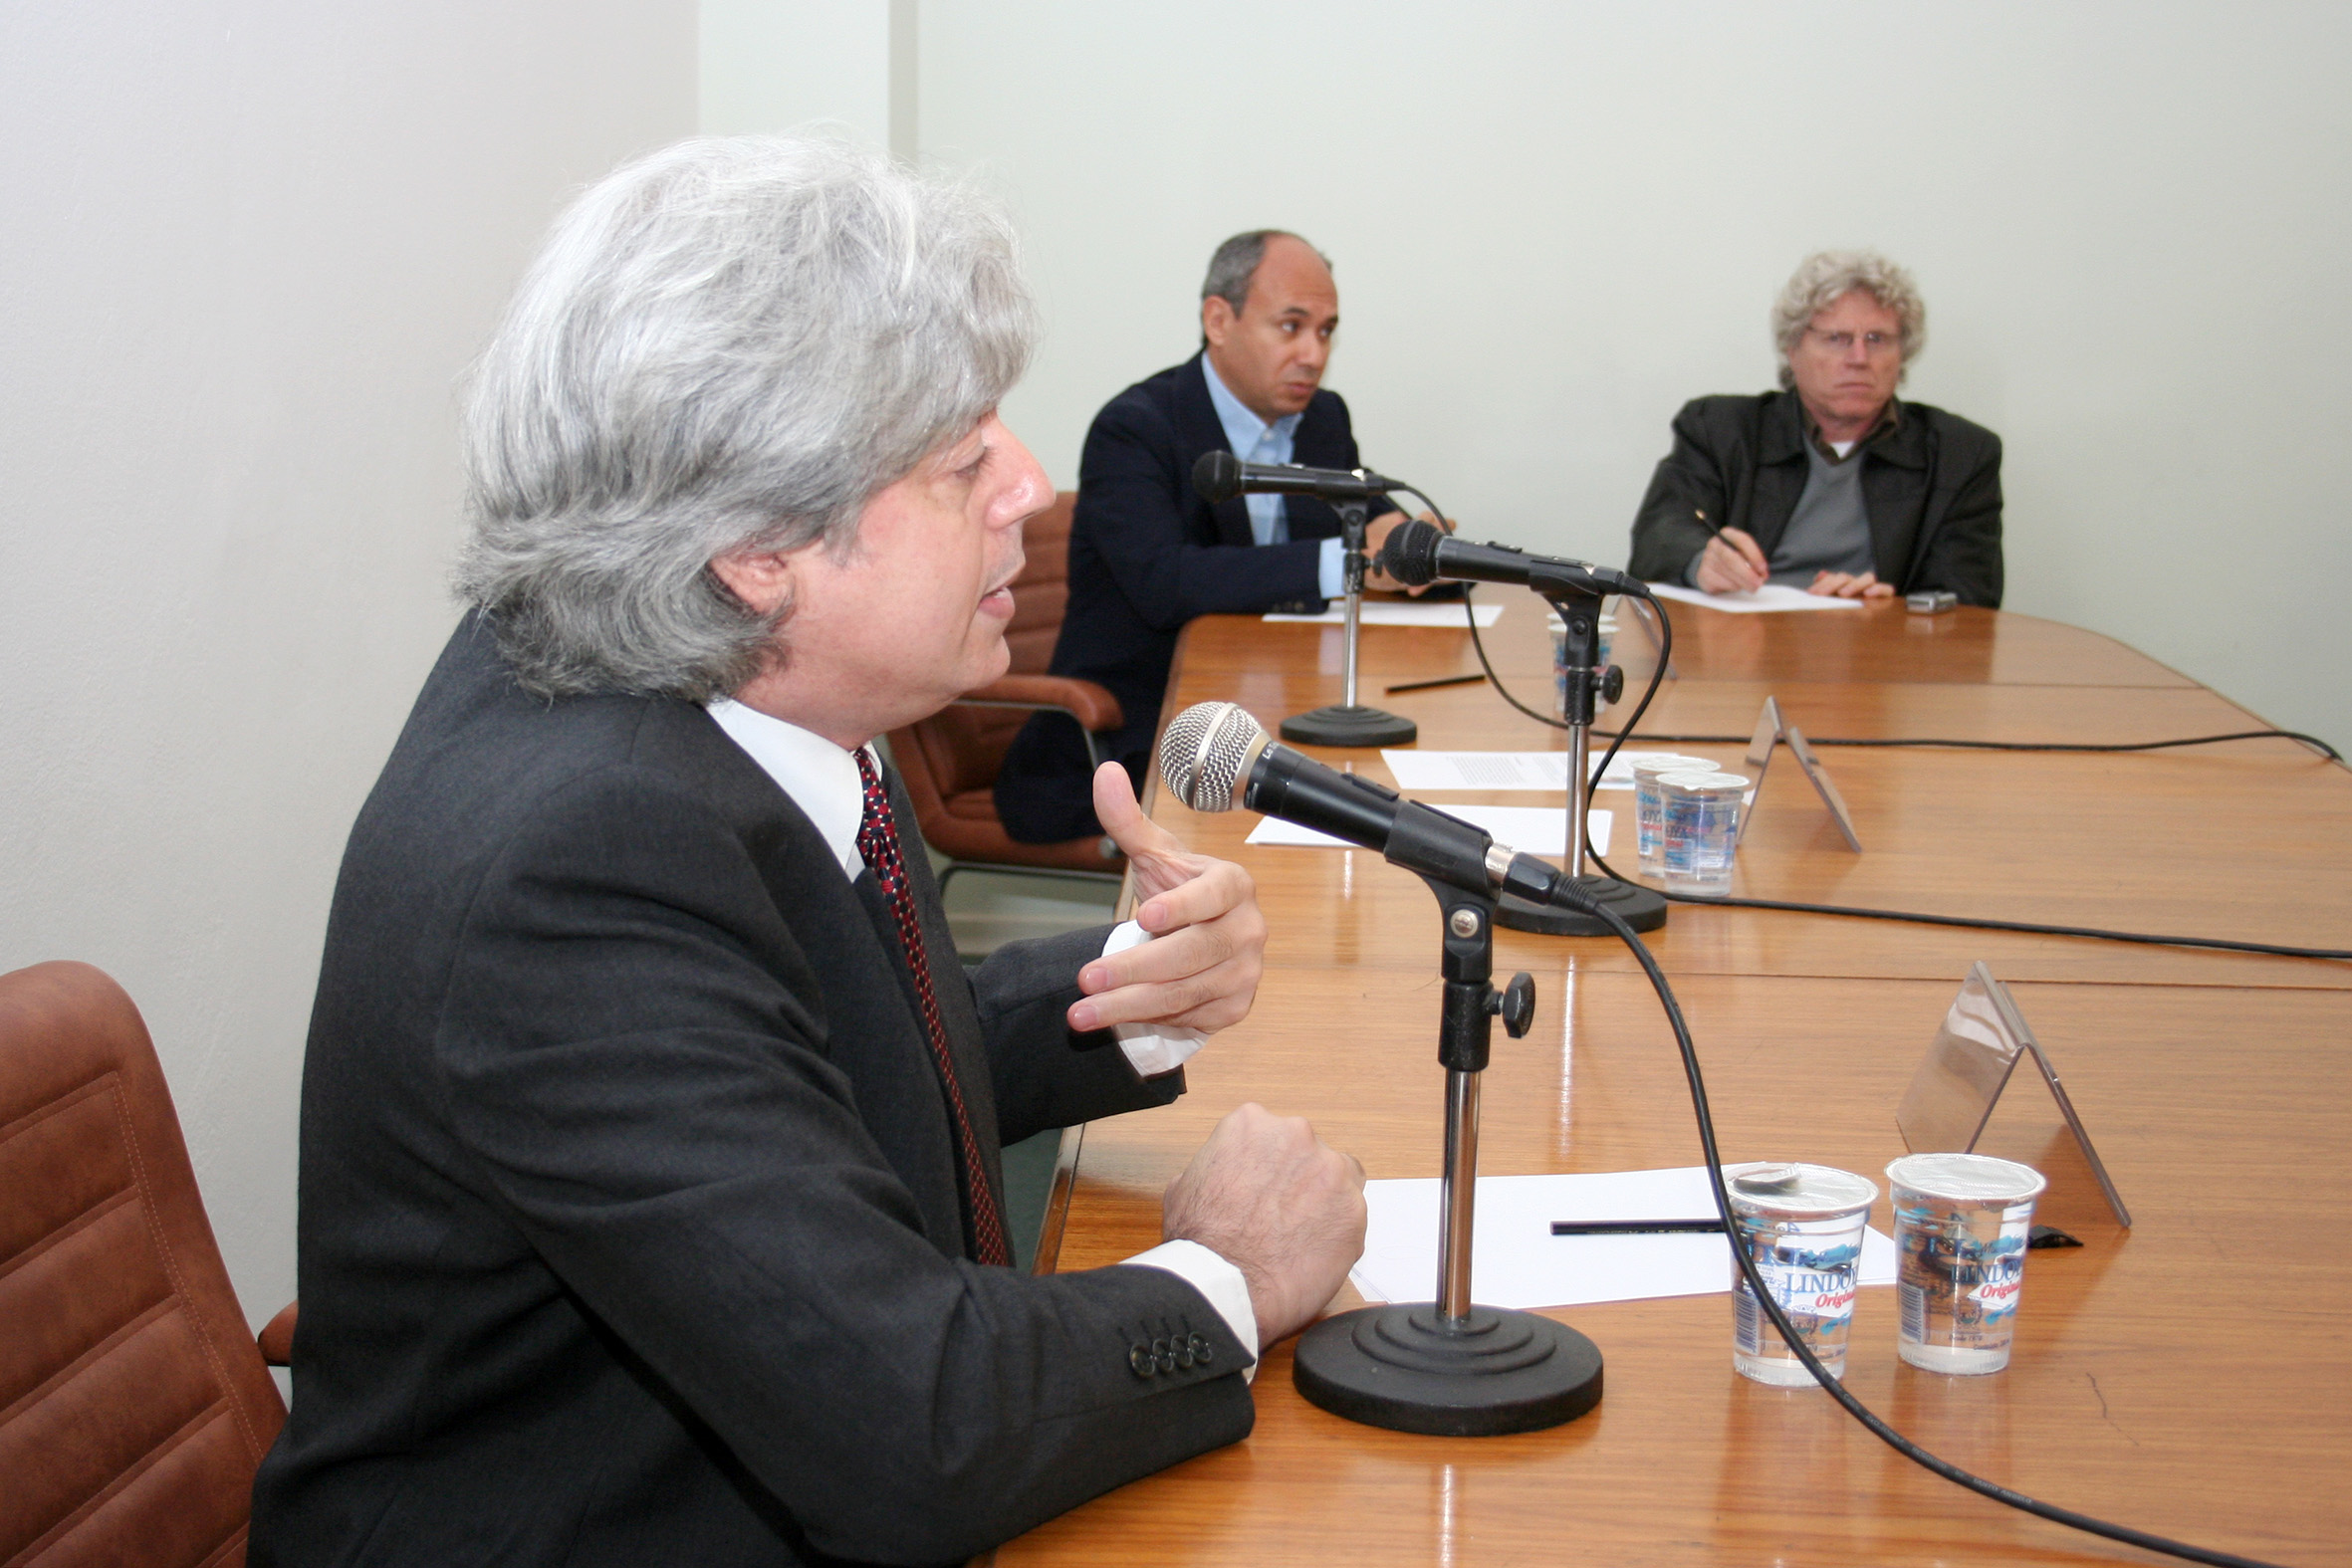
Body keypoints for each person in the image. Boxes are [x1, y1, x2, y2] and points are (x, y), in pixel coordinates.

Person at [248, 138, 1366, 1568]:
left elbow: (801, 1042)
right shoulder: (572, 861)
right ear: (758, 543)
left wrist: (1120, 994)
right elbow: (918, 1426)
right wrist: (1226, 1276)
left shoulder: (734, 677)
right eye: (964, 458)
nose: (1024, 484)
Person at [994, 229, 1421, 845]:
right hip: (1143, 737)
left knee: (1382, 795)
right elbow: (1166, 584)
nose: (1313, 354)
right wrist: (1353, 561)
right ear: (1219, 320)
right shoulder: (1134, 428)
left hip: (1285, 708)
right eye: (1291, 326)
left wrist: (1409, 542)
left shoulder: (1323, 420)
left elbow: (1371, 521)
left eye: (1326, 331)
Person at [1626, 250, 2003, 606]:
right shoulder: (1721, 429)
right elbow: (1659, 534)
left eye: (1877, 339)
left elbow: (1968, 597)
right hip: (1740, 650)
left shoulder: (1960, 454)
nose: (1859, 359)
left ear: (1902, 353)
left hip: (1882, 656)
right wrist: (1701, 560)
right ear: (1792, 348)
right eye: (1837, 339)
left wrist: (1888, 609)